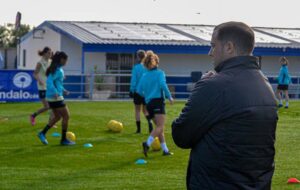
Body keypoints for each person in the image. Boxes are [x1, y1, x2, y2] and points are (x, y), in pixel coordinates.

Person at [172, 22, 278, 189]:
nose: (210, 53)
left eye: (213, 46)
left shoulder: (214, 86)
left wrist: (201, 86)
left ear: (229, 47)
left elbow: (181, 135)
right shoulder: (264, 84)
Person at [137, 51, 174, 157]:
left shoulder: (144, 76)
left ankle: (165, 150)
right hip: (158, 102)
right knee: (160, 127)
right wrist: (169, 97)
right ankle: (147, 143)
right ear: (157, 62)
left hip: (149, 104)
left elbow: (139, 90)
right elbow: (163, 85)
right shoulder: (160, 73)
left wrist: (148, 94)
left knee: (159, 127)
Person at [37, 51, 75, 146]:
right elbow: (49, 82)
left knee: (58, 117)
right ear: (62, 59)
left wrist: (63, 90)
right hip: (55, 97)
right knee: (66, 116)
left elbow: (57, 83)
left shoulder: (56, 68)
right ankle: (63, 140)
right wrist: (56, 93)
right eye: (66, 60)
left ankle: (42, 133)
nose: (66, 62)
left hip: (51, 97)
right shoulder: (57, 70)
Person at [129, 50, 153, 134]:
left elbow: (134, 80)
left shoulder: (136, 67)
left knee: (137, 110)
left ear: (138, 57)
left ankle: (138, 130)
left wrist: (131, 90)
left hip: (138, 92)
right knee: (145, 111)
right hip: (147, 92)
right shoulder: (148, 67)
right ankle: (150, 123)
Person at [30, 47, 53, 126]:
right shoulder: (40, 63)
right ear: (44, 53)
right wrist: (40, 81)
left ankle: (51, 122)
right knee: (47, 106)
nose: (50, 54)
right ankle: (33, 115)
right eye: (49, 53)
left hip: (49, 86)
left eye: (51, 53)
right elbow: (35, 74)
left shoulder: (51, 62)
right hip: (42, 86)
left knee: (52, 105)